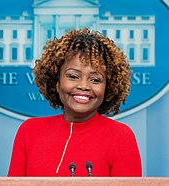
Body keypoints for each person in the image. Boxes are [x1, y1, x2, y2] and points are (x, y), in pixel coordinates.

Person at [8, 28, 142, 177]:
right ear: (57, 82)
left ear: (108, 88)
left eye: (95, 80)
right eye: (73, 76)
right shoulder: (29, 131)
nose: (83, 86)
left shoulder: (121, 136)